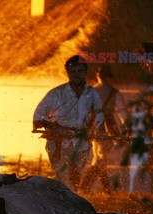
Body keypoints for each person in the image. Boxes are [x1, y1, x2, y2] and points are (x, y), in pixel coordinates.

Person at [33, 55, 104, 191]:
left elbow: (99, 115)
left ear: (85, 72)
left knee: (76, 177)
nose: (77, 75)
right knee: (63, 175)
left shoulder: (92, 94)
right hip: (59, 141)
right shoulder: (57, 93)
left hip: (81, 141)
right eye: (73, 72)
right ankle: (61, 205)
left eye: (80, 71)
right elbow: (38, 116)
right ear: (68, 73)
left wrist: (99, 133)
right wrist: (55, 128)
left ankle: (68, 204)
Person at [80, 64, 128, 194]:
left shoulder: (90, 91)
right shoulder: (113, 93)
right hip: (106, 127)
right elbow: (123, 113)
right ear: (108, 77)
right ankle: (85, 187)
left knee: (99, 158)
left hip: (94, 127)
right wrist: (125, 129)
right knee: (101, 159)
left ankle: (106, 190)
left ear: (98, 76)